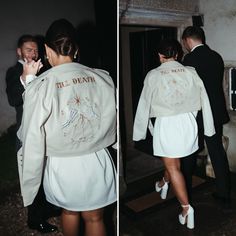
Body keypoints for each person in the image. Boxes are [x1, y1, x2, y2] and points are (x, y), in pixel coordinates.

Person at [17, 19, 117, 236]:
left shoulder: (41, 85)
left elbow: (30, 134)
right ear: (76, 48)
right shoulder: (103, 78)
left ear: (47, 50)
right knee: (95, 217)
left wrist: (31, 181)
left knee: (69, 212)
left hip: (63, 165)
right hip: (96, 159)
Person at [133, 39, 216, 229]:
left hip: (168, 124)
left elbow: (144, 104)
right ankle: (163, 183)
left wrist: (139, 132)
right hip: (188, 124)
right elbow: (205, 99)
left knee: (172, 166)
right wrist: (208, 128)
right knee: (173, 164)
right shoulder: (191, 72)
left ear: (160, 56)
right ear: (177, 55)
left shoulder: (153, 75)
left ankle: (186, 208)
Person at [5, 34, 58, 233]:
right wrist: (25, 77)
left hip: (45, 130)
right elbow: (12, 98)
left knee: (45, 171)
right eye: (29, 49)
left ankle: (48, 207)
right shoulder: (13, 71)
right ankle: (34, 219)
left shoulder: (44, 69)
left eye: (36, 50)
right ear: (19, 51)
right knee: (31, 175)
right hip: (25, 134)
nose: (33, 53)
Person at [181, 26, 231, 208]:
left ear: (187, 40)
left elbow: (187, 91)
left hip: (199, 113)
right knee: (217, 152)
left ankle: (185, 194)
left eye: (184, 42)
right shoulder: (216, 56)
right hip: (216, 112)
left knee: (189, 153)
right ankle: (224, 192)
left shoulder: (190, 59)